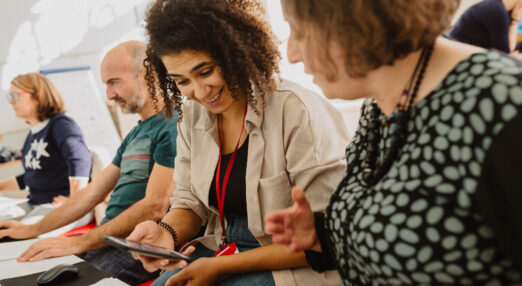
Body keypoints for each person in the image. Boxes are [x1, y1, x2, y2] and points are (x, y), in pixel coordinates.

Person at [266, 0, 522, 285]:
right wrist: (321, 237)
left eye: (301, 32)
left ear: (359, 25)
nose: (292, 54)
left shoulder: (503, 106)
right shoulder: (380, 105)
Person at [126, 0, 350, 285]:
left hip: (292, 261)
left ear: (236, 51)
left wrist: (221, 267)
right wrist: (166, 233)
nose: (199, 92)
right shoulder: (192, 116)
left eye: (206, 72)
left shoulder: (296, 111)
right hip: (223, 249)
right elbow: (189, 202)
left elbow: (328, 238)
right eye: (182, 81)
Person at [0, 41, 178, 285]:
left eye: (114, 82)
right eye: (105, 85)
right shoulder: (137, 133)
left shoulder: (172, 126)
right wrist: (33, 230)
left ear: (147, 75)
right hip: (107, 239)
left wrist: (80, 240)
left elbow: (155, 206)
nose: (109, 95)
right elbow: (93, 192)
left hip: (135, 247)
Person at [0, 73, 91, 208]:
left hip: (55, 205)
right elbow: (34, 176)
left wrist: (74, 202)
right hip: (37, 203)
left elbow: (80, 159)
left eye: (15, 95)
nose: (11, 101)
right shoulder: (34, 133)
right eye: (10, 96)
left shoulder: (61, 124)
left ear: (38, 95)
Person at [449, 0, 522, 54]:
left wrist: (514, 20)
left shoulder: (504, 11)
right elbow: (505, 54)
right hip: (457, 55)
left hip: (466, 54)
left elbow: (510, 49)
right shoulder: (496, 9)